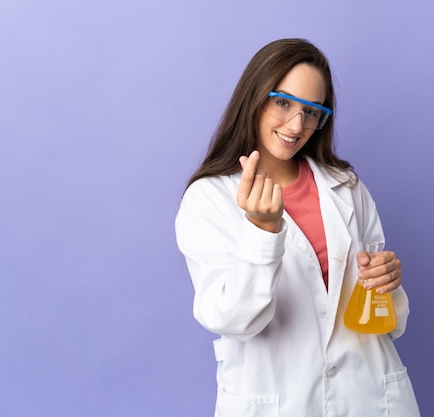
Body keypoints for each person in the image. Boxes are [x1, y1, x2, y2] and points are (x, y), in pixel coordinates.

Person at [175, 38, 420, 417]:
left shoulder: (346, 187)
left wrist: (388, 283)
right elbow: (232, 319)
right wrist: (262, 232)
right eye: (283, 102)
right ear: (254, 97)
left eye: (312, 111)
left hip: (369, 395)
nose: (296, 125)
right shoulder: (208, 199)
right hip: (278, 401)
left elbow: (388, 322)